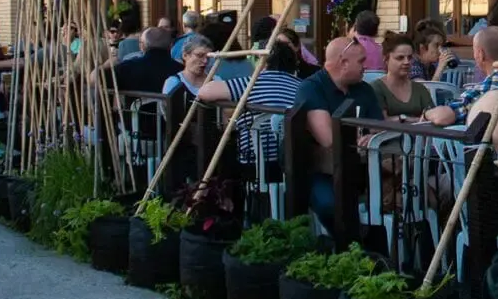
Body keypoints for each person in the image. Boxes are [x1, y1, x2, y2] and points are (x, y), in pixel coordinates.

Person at [295, 36, 384, 226]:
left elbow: (380, 128)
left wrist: (371, 137)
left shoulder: (364, 89)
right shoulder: (312, 88)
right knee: (333, 206)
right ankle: (348, 251)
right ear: (343, 63)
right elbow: (329, 139)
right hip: (320, 171)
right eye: (361, 61)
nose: (365, 66)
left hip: (363, 170)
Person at [198, 39, 302, 168]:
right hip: (293, 158)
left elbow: (205, 92)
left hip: (254, 158)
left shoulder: (251, 83)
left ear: (262, 62)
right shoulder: (302, 86)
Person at [424, 26, 498, 126]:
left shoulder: (485, 90)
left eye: (474, 51)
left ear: (480, 54)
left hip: (491, 140)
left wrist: (426, 114)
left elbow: (442, 117)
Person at [373, 34, 434, 118]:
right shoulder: (377, 88)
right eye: (400, 58)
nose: (406, 62)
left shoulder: (420, 89)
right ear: (386, 59)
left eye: (409, 57)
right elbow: (381, 123)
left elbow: (433, 119)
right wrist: (414, 120)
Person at [110, 25, 181, 93]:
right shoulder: (181, 70)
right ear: (171, 46)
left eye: (141, 42)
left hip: (136, 105)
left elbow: (103, 82)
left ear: (143, 46)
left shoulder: (126, 68)